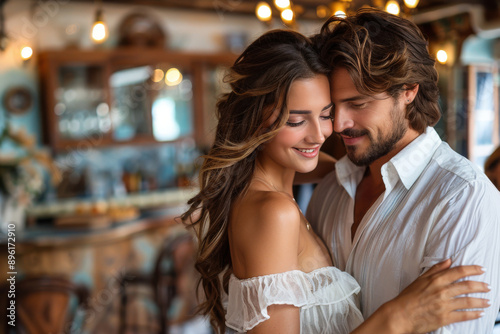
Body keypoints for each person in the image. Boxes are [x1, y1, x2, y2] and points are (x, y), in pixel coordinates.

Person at [181, 29, 490, 334]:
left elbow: (334, 166)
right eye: (296, 120)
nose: (326, 131)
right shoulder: (276, 211)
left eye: (326, 113)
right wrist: (396, 319)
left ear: (409, 91)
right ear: (254, 121)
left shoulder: (457, 194)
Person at [307, 8, 500, 333]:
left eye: (358, 103)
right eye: (332, 108)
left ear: (408, 91)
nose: (338, 125)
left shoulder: (464, 200)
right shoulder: (329, 190)